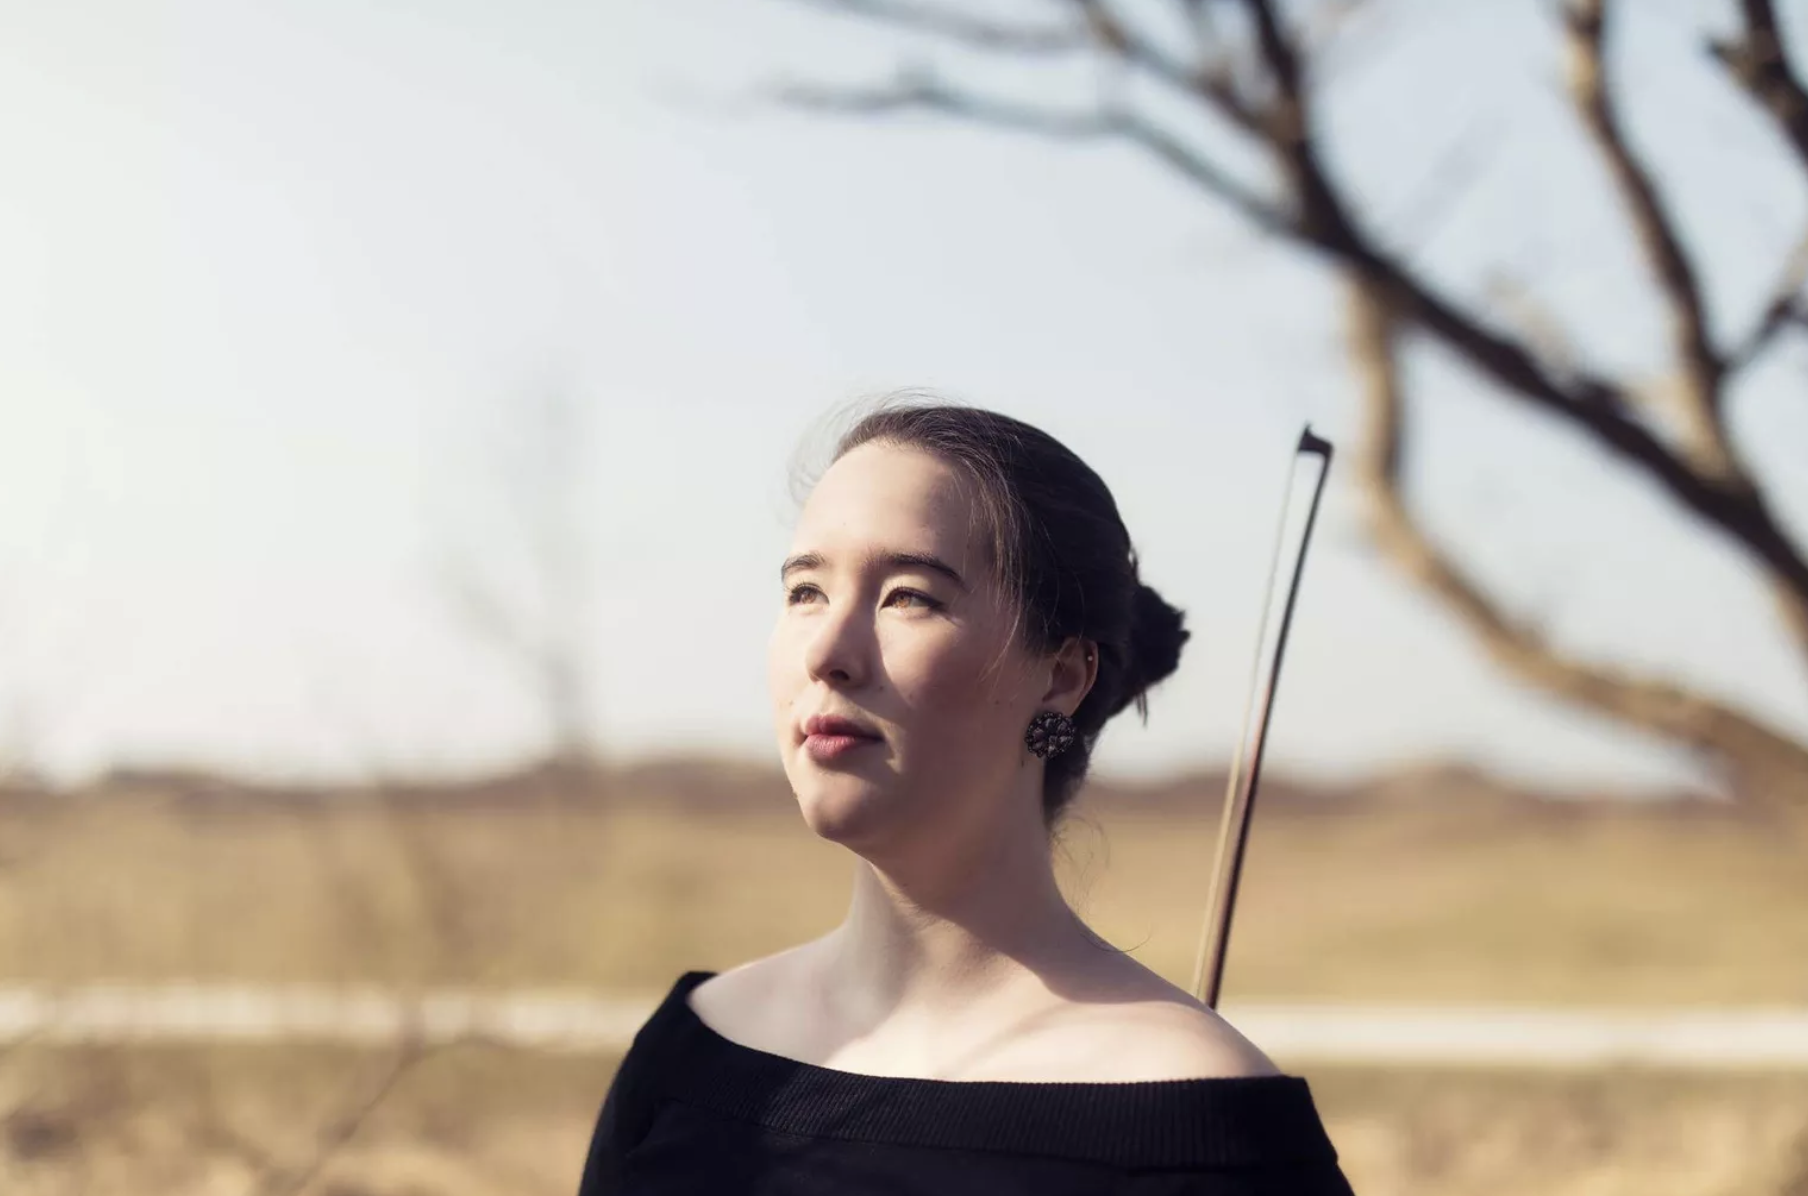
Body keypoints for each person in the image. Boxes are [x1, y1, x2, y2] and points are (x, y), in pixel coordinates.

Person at [576, 399, 1355, 1195]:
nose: (827, 652)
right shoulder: (687, 1050)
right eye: (806, 590)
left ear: (1061, 676)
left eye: (909, 595)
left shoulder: (1209, 1129)